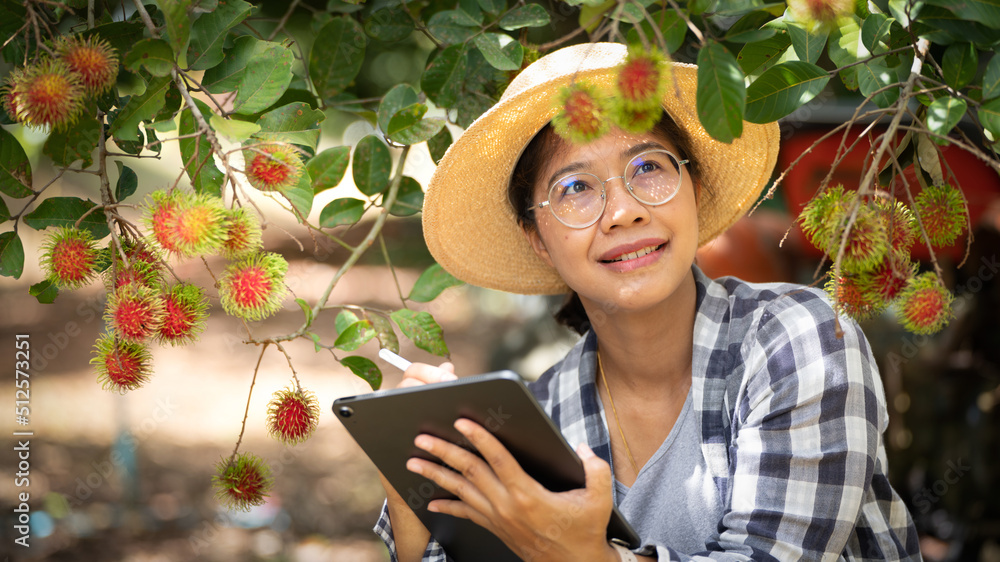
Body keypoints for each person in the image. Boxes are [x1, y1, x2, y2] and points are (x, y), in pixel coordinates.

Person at [373, 42, 922, 561]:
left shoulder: (799, 340)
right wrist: (412, 493)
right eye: (575, 188)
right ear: (537, 239)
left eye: (648, 168)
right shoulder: (540, 417)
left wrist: (582, 553)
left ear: (695, 189)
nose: (623, 211)